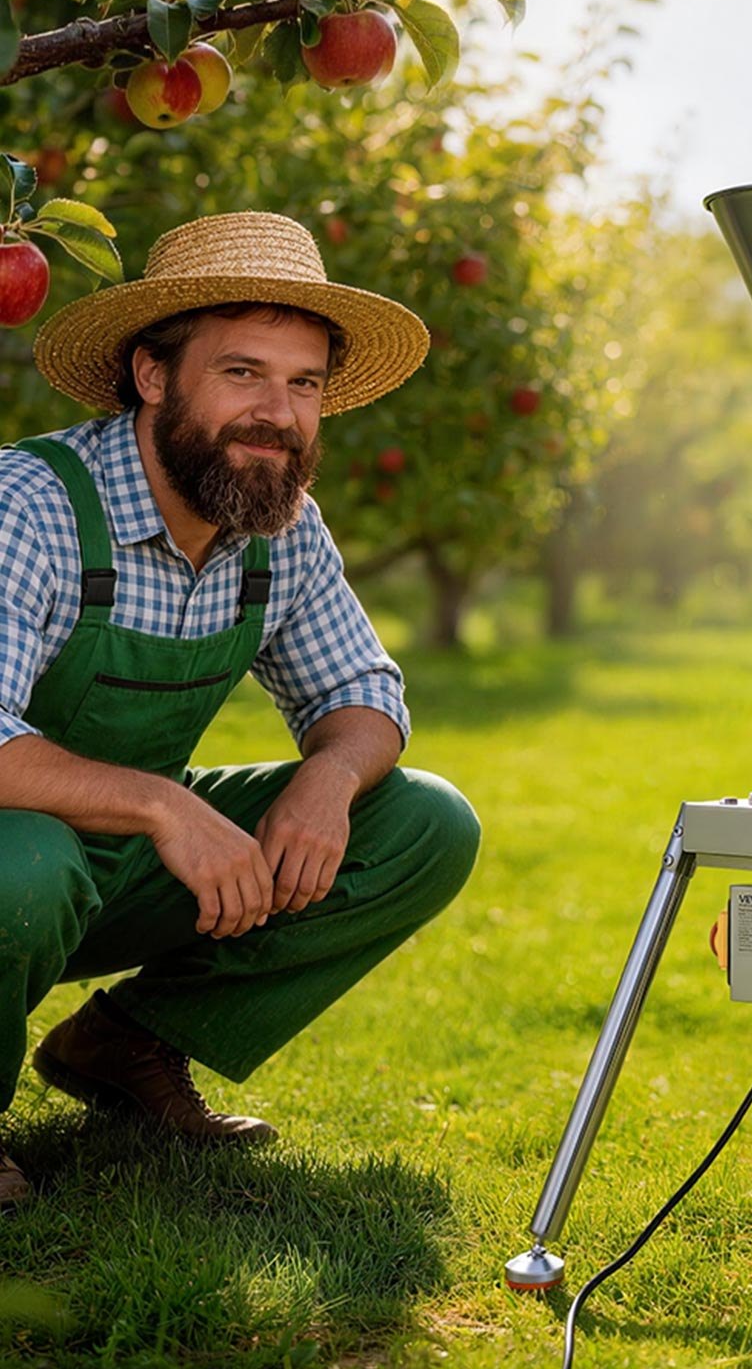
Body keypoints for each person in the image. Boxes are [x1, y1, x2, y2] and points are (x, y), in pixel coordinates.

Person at [0, 211, 482, 1207]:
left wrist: (331, 776)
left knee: (423, 821)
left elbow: (364, 692)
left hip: (112, 865)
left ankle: (127, 1047)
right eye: (242, 373)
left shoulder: (282, 526)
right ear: (152, 375)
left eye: (304, 384)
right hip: (22, 858)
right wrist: (167, 806)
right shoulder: (33, 504)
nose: (279, 411)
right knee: (30, 861)